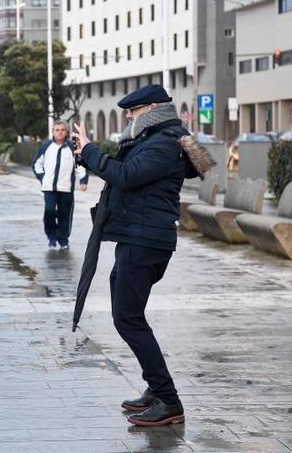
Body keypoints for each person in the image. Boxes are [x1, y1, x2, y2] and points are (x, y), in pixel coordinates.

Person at [72, 84, 214, 427]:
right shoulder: (152, 140)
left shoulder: (165, 143)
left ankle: (169, 400)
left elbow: (125, 175)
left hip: (146, 240)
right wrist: (86, 154)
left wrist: (91, 150)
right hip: (135, 237)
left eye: (132, 112)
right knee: (128, 314)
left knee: (127, 318)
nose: (128, 118)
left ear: (151, 109)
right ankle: (156, 388)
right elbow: (121, 171)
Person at [32, 121, 89, 250]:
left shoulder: (72, 147)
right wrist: (42, 178)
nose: (60, 132)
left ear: (66, 132)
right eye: (57, 130)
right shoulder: (46, 146)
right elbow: (36, 164)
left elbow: (80, 165)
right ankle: (51, 237)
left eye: (62, 130)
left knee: (65, 214)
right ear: (53, 131)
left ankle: (63, 239)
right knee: (50, 211)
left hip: (66, 188)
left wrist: (83, 180)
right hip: (49, 188)